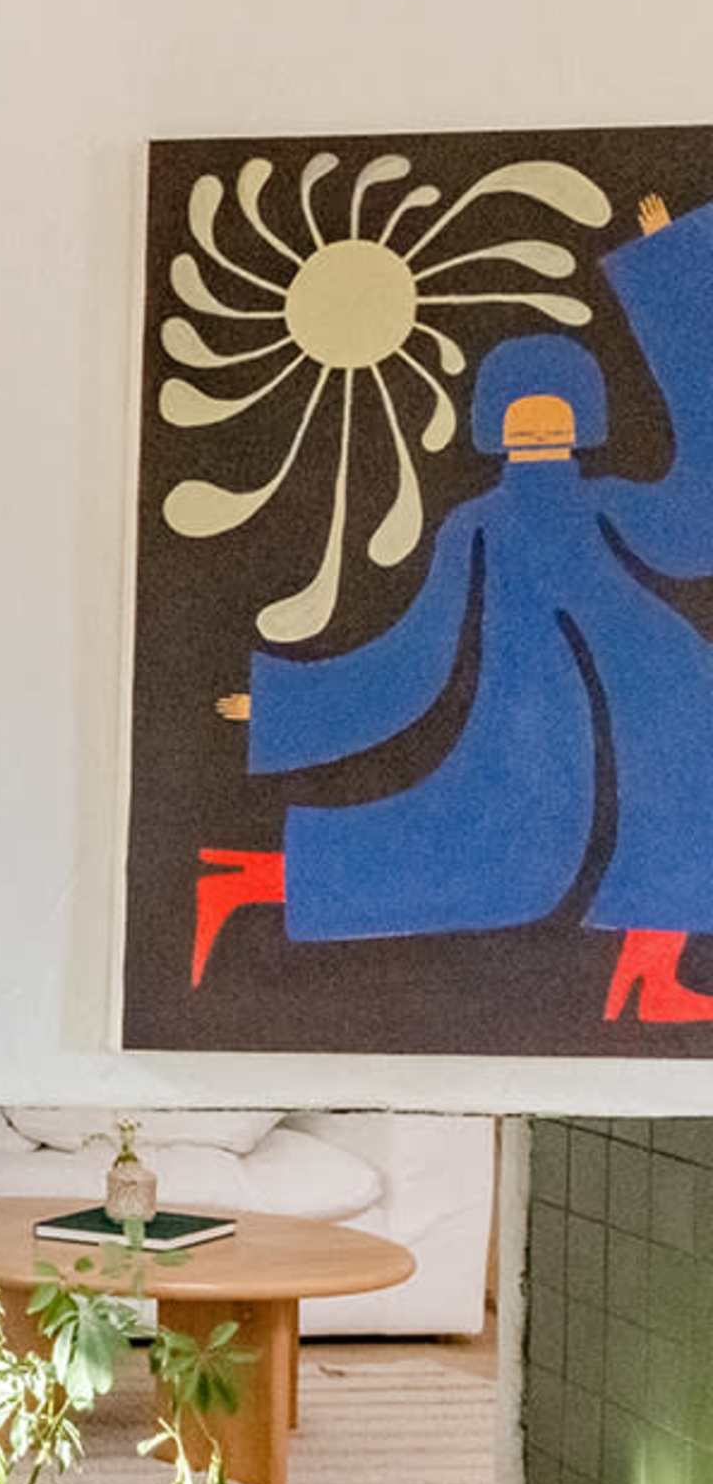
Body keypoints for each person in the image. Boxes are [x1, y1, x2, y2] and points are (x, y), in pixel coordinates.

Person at [193, 192, 713, 1021]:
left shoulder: (608, 503)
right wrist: (288, 704)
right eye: (522, 413)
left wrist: (677, 269)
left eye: (555, 412)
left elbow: (699, 510)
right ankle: (246, 875)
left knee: (691, 792)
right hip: (530, 712)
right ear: (494, 425)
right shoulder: (477, 525)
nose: (540, 427)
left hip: (661, 689)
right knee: (499, 850)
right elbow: (416, 658)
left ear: (584, 417)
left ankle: (650, 974)